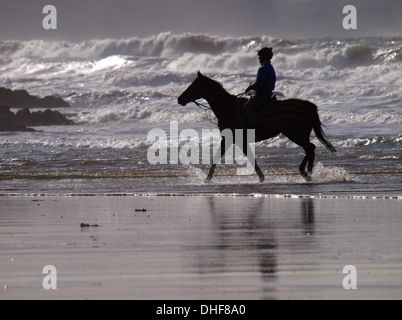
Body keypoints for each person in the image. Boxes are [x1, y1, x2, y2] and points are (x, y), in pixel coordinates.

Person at [242, 47, 276, 129]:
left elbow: (258, 84)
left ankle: (256, 127)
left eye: (260, 56)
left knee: (246, 108)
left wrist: (249, 88)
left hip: (263, 95)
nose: (258, 58)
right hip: (267, 93)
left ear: (263, 57)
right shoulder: (270, 67)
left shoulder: (263, 68)